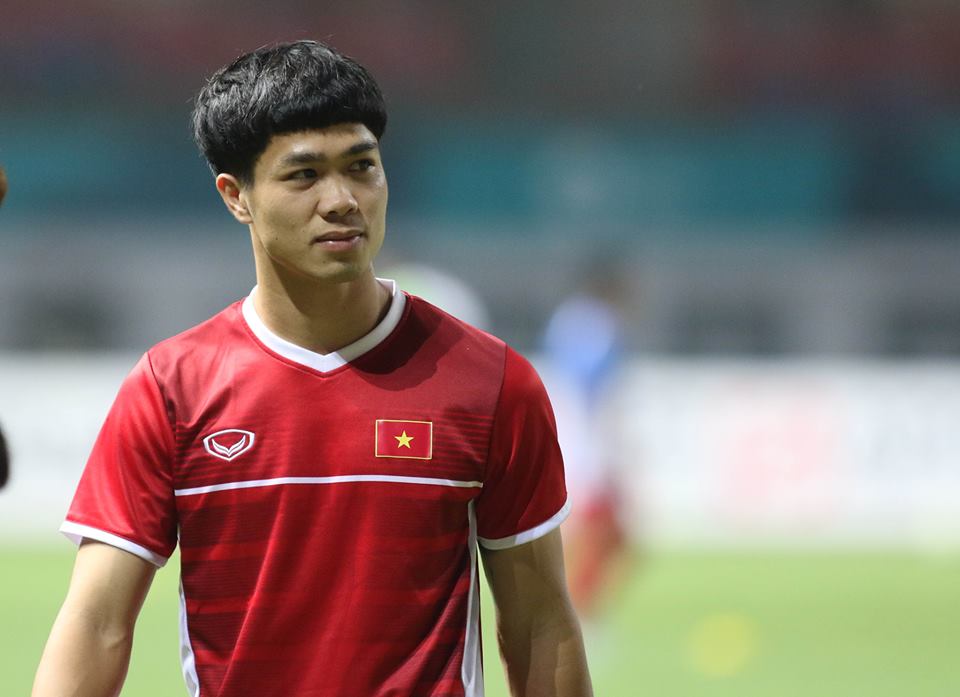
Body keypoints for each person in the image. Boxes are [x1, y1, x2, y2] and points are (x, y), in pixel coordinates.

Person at [32, 41, 592, 697]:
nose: (343, 199)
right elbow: (97, 623)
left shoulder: (491, 382)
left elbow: (539, 623)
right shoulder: (171, 388)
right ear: (236, 196)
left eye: (362, 166)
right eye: (304, 175)